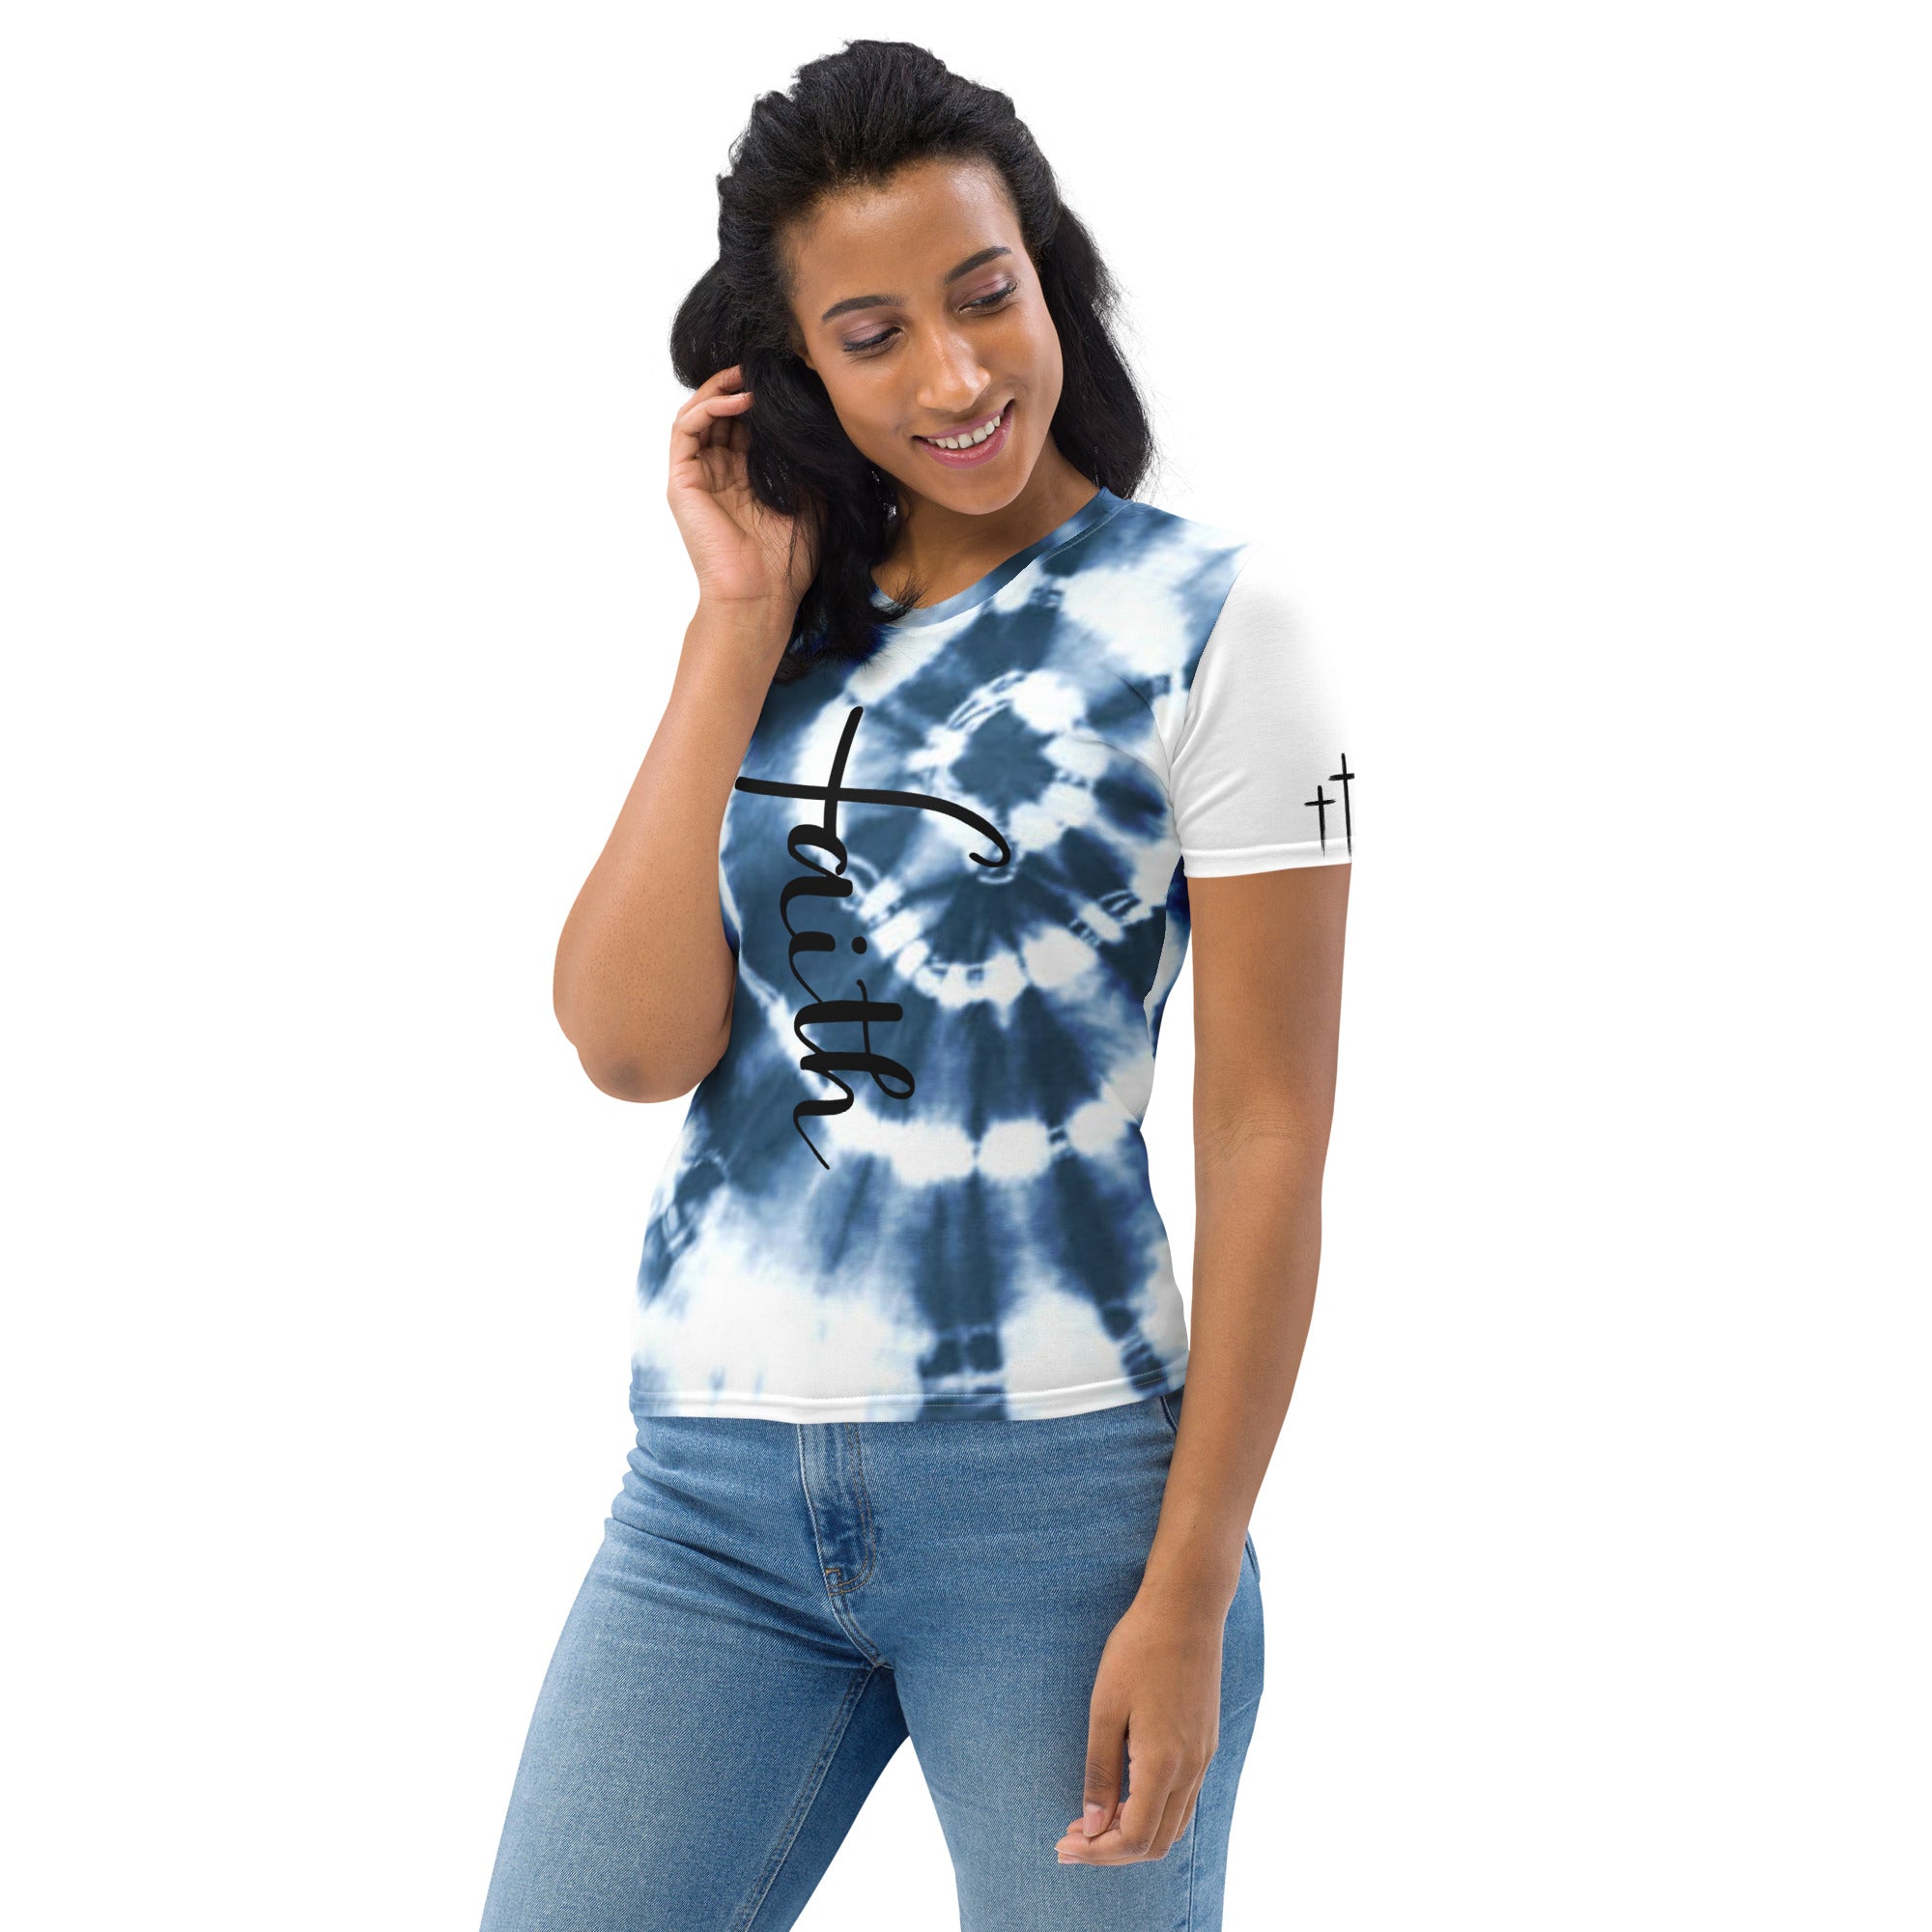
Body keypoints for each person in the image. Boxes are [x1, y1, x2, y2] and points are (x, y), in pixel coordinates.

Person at [478, 39, 1353, 1932]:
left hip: (1063, 1506)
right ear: (798, 367)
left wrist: (1189, 1579)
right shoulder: (783, 628)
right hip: (708, 1497)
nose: (955, 378)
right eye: (872, 337)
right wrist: (733, 621)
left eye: (984, 295)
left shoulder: (1212, 622)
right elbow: (628, 1043)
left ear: (1049, 275)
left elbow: (1270, 1130)